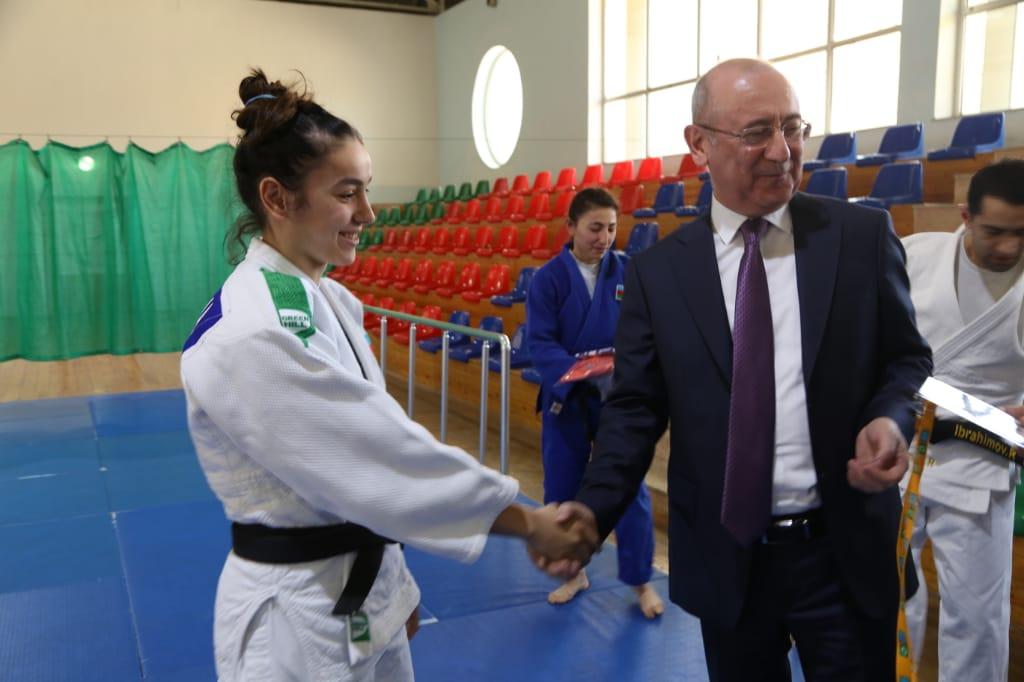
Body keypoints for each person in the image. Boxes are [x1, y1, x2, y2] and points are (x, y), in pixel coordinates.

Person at [180, 69, 596, 681]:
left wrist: (394, 589)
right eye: (347, 193)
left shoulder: (327, 300)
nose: (368, 213)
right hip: (294, 618)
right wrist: (526, 522)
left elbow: (370, 455)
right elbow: (370, 456)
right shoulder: (253, 329)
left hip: (361, 590)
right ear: (277, 198)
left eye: (366, 191)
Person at [533, 59, 933, 681]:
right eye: (756, 133)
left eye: (792, 127)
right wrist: (593, 509)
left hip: (844, 553)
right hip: (728, 560)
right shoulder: (660, 274)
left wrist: (890, 418)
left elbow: (906, 358)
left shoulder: (861, 237)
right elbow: (635, 410)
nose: (782, 150)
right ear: (700, 145)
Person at [901, 159, 1024, 682]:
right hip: (899, 449)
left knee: (976, 618)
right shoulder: (914, 255)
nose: (1009, 247)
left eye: (1022, 233)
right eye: (994, 231)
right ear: (965, 216)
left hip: (983, 459)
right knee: (890, 597)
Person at [525, 187, 664, 618]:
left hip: (617, 398)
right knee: (562, 488)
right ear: (571, 227)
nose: (604, 238)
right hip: (567, 398)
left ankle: (640, 579)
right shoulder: (548, 279)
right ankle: (574, 572)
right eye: (594, 228)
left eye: (611, 228)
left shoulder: (628, 271)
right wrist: (579, 370)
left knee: (629, 489)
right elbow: (539, 342)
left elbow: (647, 330)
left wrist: (626, 368)